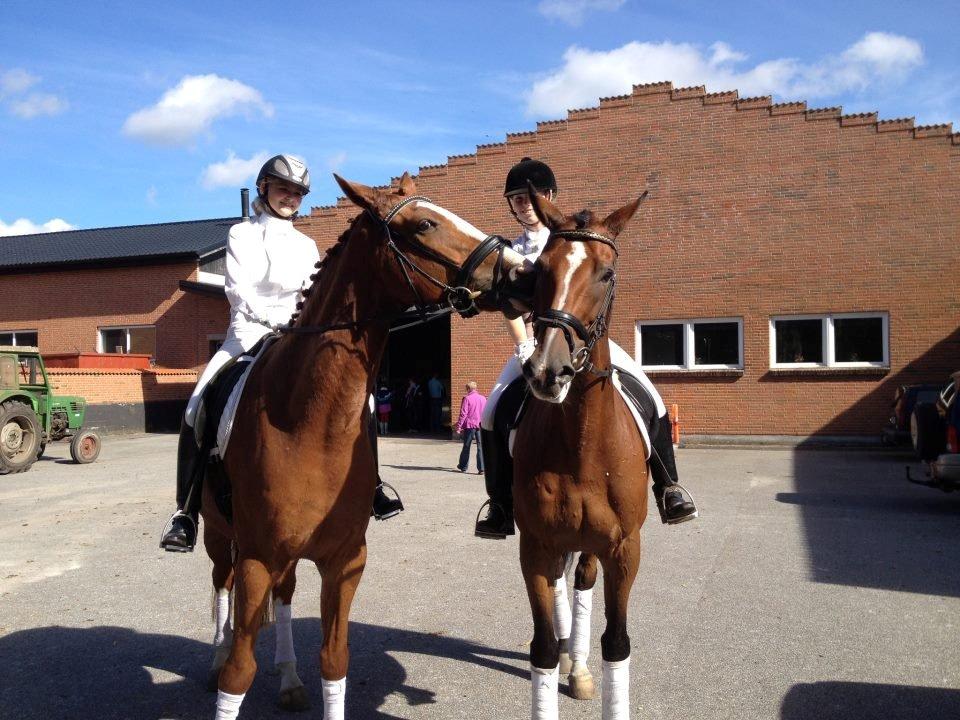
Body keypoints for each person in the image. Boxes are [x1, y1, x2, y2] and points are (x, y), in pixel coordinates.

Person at [160, 155, 401, 553]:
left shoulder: (307, 244)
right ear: (263, 188)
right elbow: (239, 291)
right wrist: (277, 323)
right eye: (284, 188)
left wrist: (308, 325)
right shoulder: (241, 234)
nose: (291, 197)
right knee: (196, 405)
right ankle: (185, 512)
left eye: (298, 192)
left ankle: (373, 487)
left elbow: (314, 294)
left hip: (297, 336)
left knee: (367, 402)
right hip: (248, 335)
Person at [474, 157, 698, 538]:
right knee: (491, 410)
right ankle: (499, 505)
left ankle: (668, 487)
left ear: (549, 196)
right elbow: (509, 307)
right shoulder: (510, 252)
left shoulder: (573, 237)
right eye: (515, 199)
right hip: (534, 342)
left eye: (531, 197)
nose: (523, 204)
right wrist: (524, 346)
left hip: (586, 339)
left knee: (651, 397)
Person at [455, 381, 486, 474]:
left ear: (468, 389)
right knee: (480, 446)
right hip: (480, 424)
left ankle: (463, 466)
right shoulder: (483, 398)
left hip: (470, 425)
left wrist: (459, 427)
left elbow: (463, 414)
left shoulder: (467, 399)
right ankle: (482, 468)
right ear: (475, 388)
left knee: (467, 446)